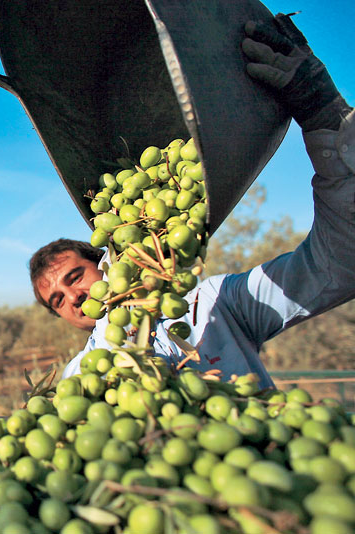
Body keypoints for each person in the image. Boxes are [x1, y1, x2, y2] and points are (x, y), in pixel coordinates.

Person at [29, 18, 355, 387]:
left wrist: (327, 121)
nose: (73, 297)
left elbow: (342, 264)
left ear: (105, 262)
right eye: (58, 301)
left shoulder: (215, 304)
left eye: (75, 277)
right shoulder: (82, 377)